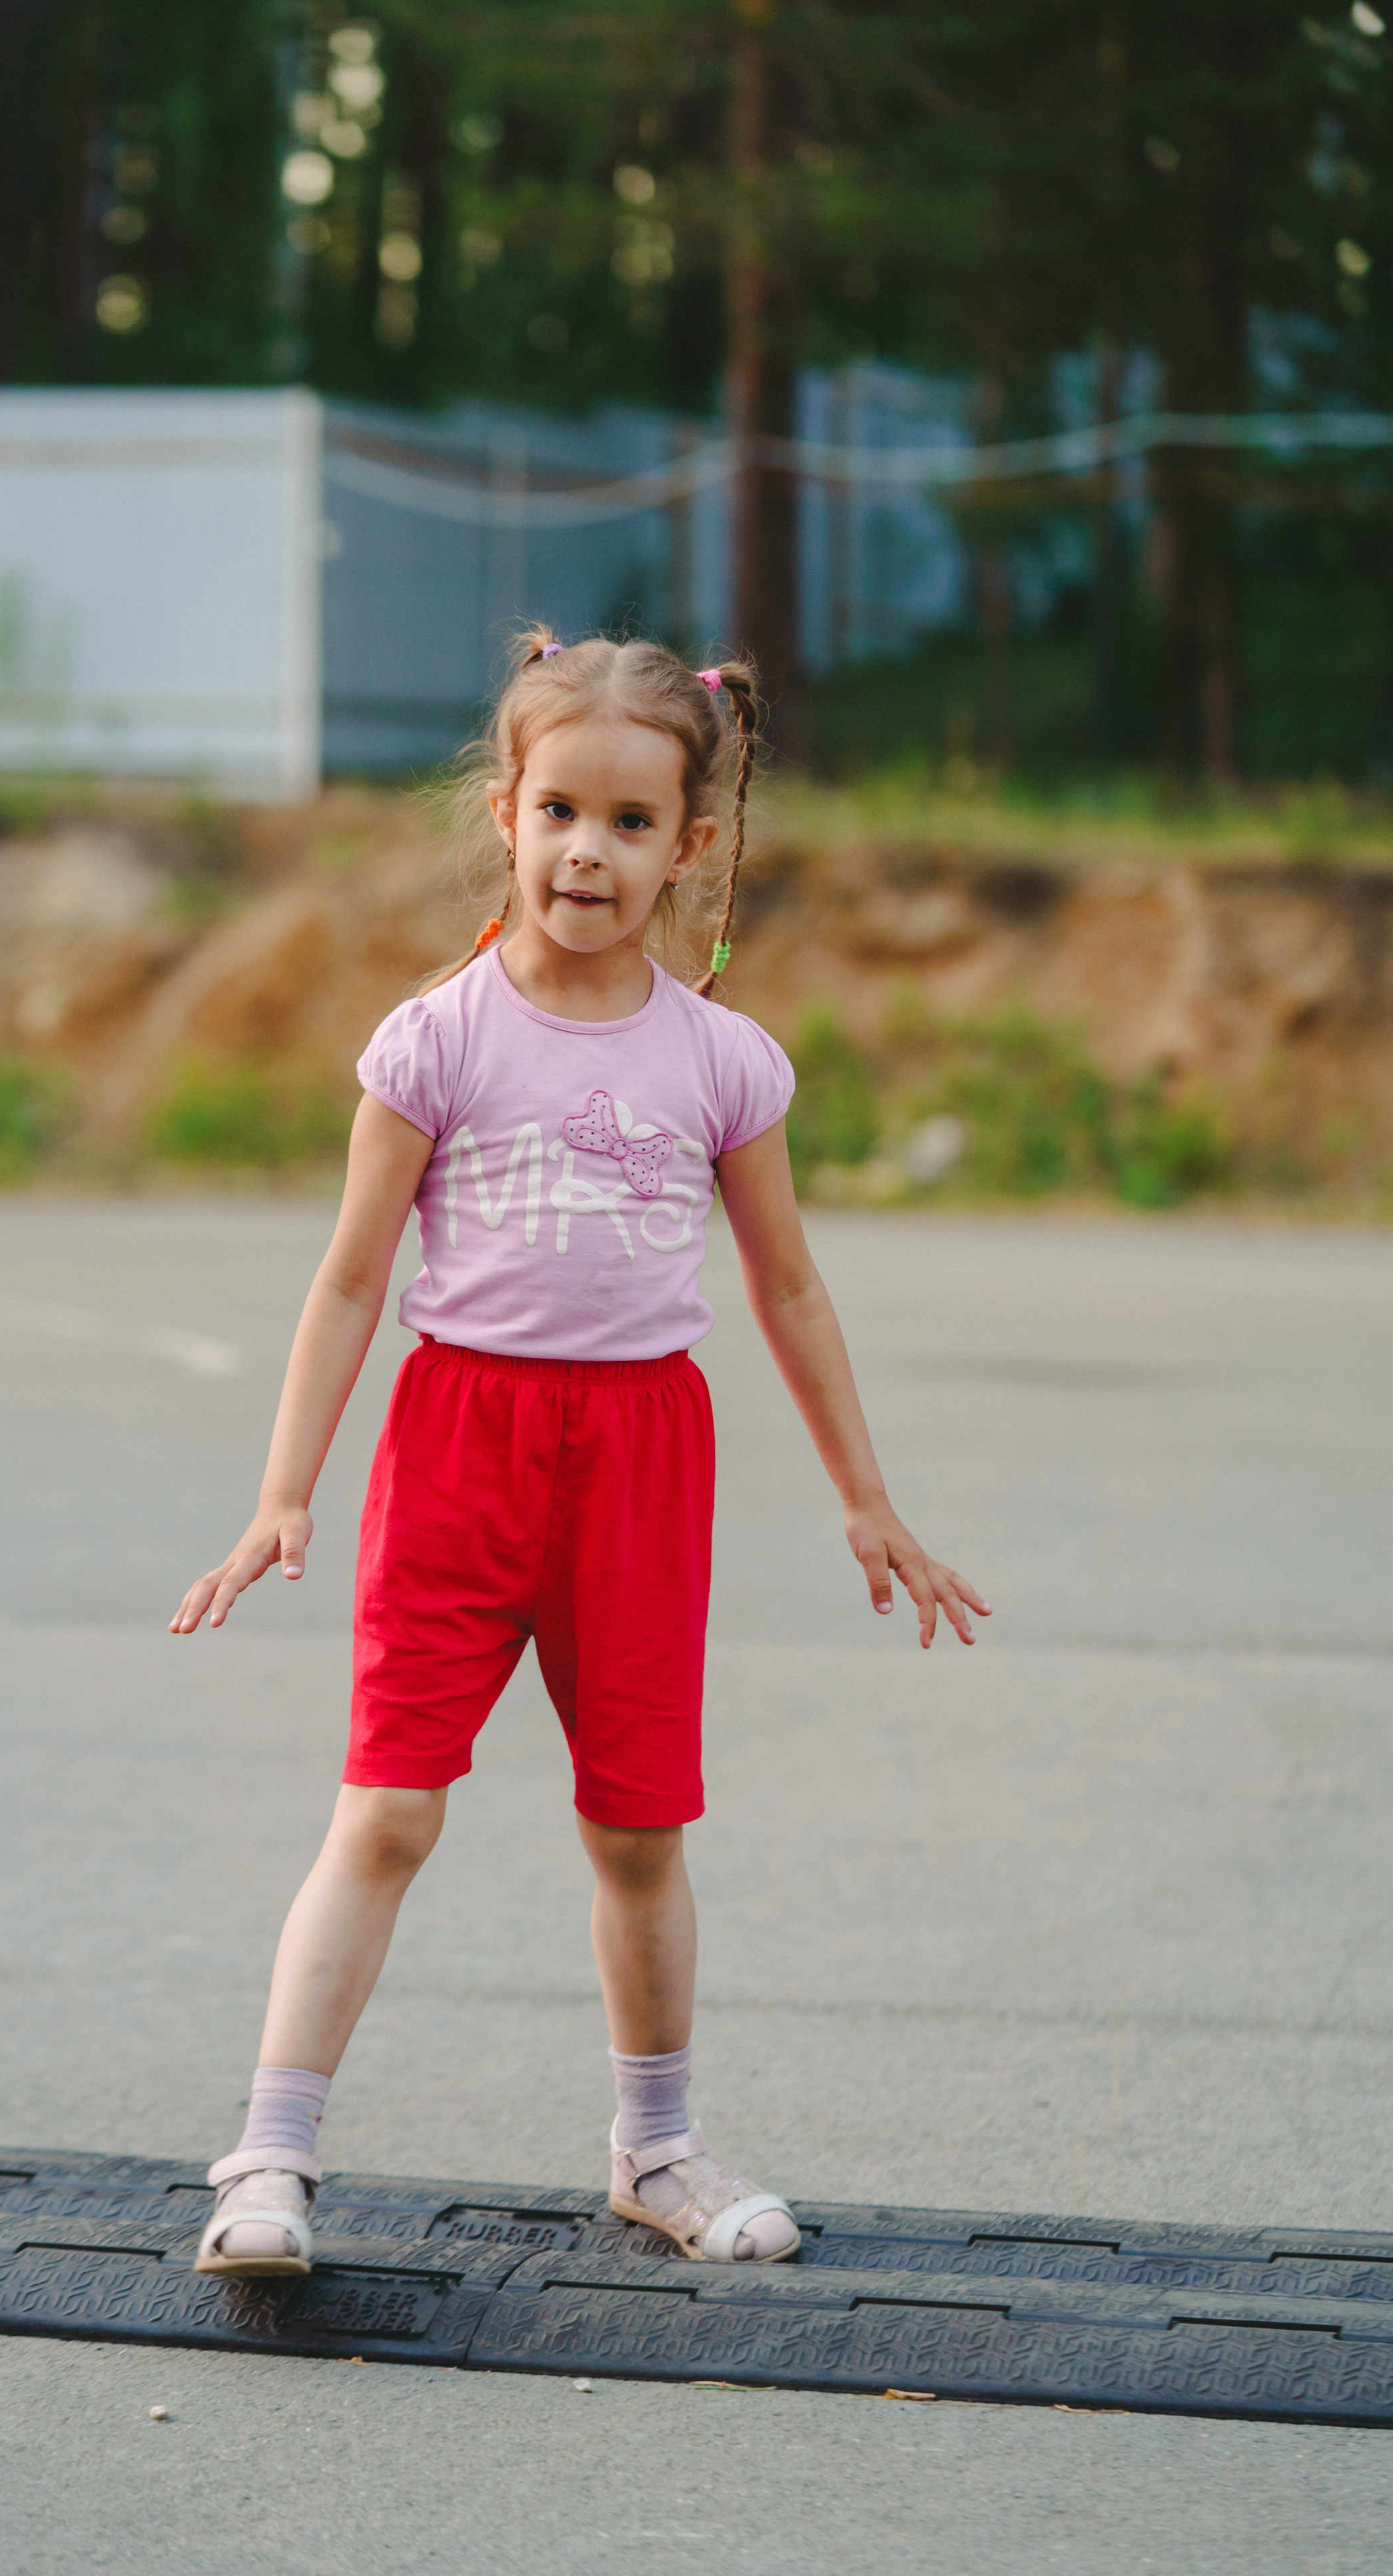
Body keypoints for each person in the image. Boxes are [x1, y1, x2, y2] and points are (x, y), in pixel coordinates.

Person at [171, 630, 989, 2279]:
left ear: (687, 846)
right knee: (387, 1815)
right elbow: (349, 1278)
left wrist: (864, 1498)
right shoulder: (431, 1041)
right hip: (458, 1447)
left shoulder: (721, 1061)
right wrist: (283, 1491)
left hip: (637, 1462)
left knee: (635, 1834)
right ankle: (265, 2161)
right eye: (559, 812)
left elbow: (787, 1287)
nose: (586, 853)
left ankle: (656, 2149)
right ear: (505, 814)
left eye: (628, 823)